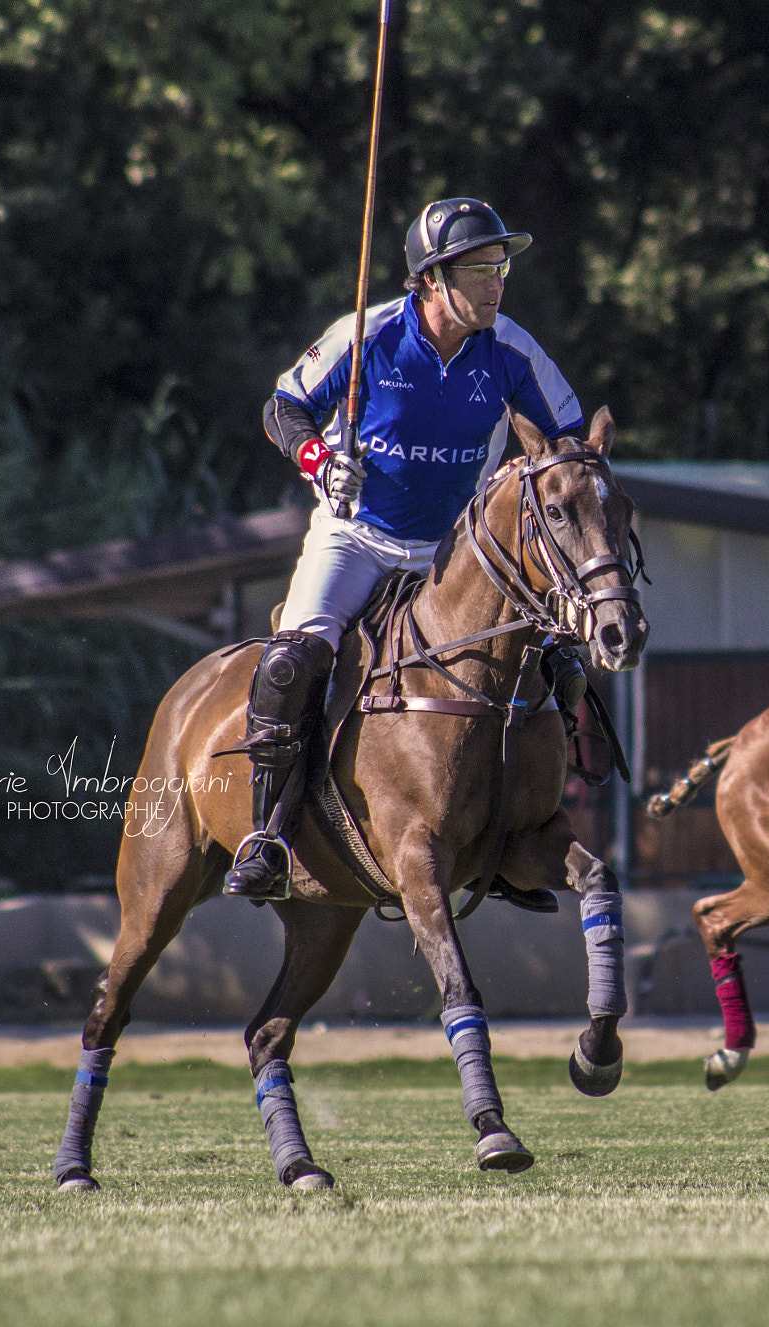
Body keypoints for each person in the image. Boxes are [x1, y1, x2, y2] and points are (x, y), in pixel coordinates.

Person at [224, 197, 586, 903]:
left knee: (554, 663)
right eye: (479, 268)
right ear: (429, 279)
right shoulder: (368, 335)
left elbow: (567, 436)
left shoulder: (511, 349)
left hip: (455, 555)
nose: (496, 281)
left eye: (499, 266)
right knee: (294, 659)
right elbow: (282, 406)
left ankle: (512, 834)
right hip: (356, 537)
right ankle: (267, 835)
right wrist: (317, 459)